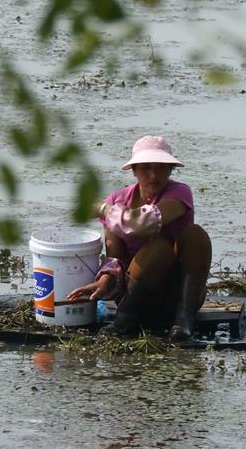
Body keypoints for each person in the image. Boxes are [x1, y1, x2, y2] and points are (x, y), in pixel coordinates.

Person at [66, 135, 212, 341]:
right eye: (145, 168)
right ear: (134, 170)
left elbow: (143, 223)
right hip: (137, 299)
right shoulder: (118, 200)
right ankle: (124, 320)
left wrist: (104, 209)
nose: (153, 175)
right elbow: (114, 257)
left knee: (195, 235)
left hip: (177, 295)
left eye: (161, 168)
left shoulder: (180, 193)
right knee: (158, 249)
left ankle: (183, 321)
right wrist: (103, 281)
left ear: (171, 170)